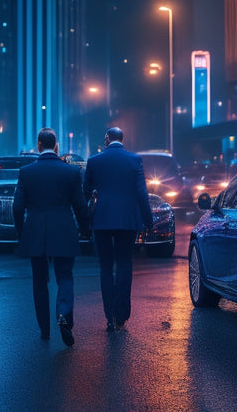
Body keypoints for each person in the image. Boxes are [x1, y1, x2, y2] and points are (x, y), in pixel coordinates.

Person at [13, 128, 89, 346]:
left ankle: (44, 330)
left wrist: (21, 231)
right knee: (65, 276)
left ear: (38, 145)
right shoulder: (70, 172)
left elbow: (17, 207)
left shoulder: (26, 172)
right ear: (56, 146)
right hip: (64, 230)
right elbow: (80, 206)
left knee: (39, 280)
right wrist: (84, 229)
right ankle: (63, 314)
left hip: (35, 231)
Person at [84, 127, 154, 332]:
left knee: (105, 267)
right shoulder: (134, 160)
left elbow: (86, 189)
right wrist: (148, 221)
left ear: (107, 139)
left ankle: (108, 316)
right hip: (127, 219)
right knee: (124, 263)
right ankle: (121, 315)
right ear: (122, 139)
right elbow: (142, 193)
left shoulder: (94, 161)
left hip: (102, 219)